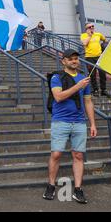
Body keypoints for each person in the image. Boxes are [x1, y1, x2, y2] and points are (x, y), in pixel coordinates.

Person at [43, 49, 97, 204]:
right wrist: (78, 86)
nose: (74, 61)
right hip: (61, 121)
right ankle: (51, 185)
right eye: (71, 59)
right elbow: (58, 97)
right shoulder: (56, 77)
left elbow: (88, 101)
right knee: (56, 154)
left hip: (79, 122)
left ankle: (78, 189)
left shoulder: (83, 79)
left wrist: (92, 123)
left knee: (78, 155)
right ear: (64, 61)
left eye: (76, 59)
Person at [80, 23, 111, 97]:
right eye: (89, 27)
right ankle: (95, 90)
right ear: (86, 29)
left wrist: (103, 47)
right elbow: (84, 43)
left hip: (99, 57)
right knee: (92, 74)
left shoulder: (98, 34)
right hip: (89, 57)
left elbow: (104, 40)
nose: (91, 28)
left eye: (92, 26)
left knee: (102, 74)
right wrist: (90, 35)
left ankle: (103, 90)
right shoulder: (83, 35)